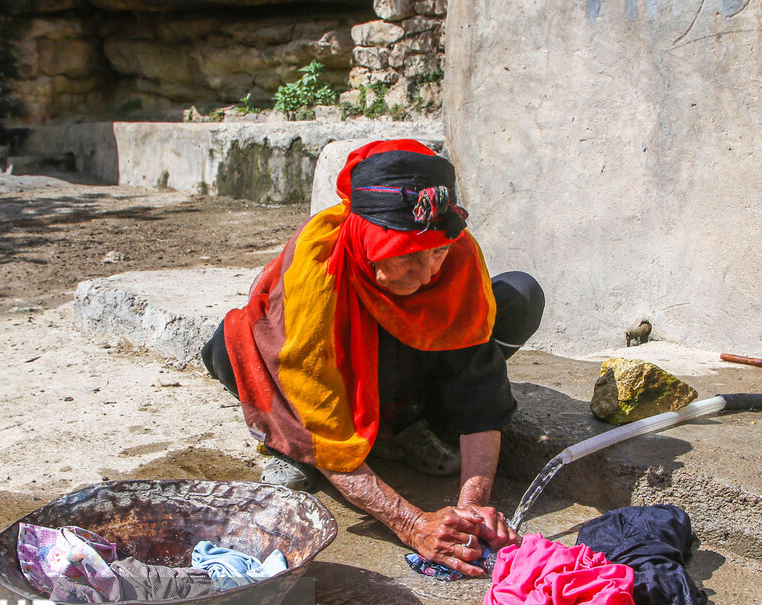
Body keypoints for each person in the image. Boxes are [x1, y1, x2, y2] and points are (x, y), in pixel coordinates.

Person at [201, 139, 544, 577]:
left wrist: (471, 508)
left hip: (410, 384)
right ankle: (301, 445)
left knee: (518, 293)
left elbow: (478, 385)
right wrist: (412, 523)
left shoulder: (456, 255)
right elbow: (318, 406)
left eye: (436, 253)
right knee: (231, 346)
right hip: (342, 384)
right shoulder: (317, 267)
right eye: (406, 259)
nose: (428, 275)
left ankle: (407, 430)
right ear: (367, 241)